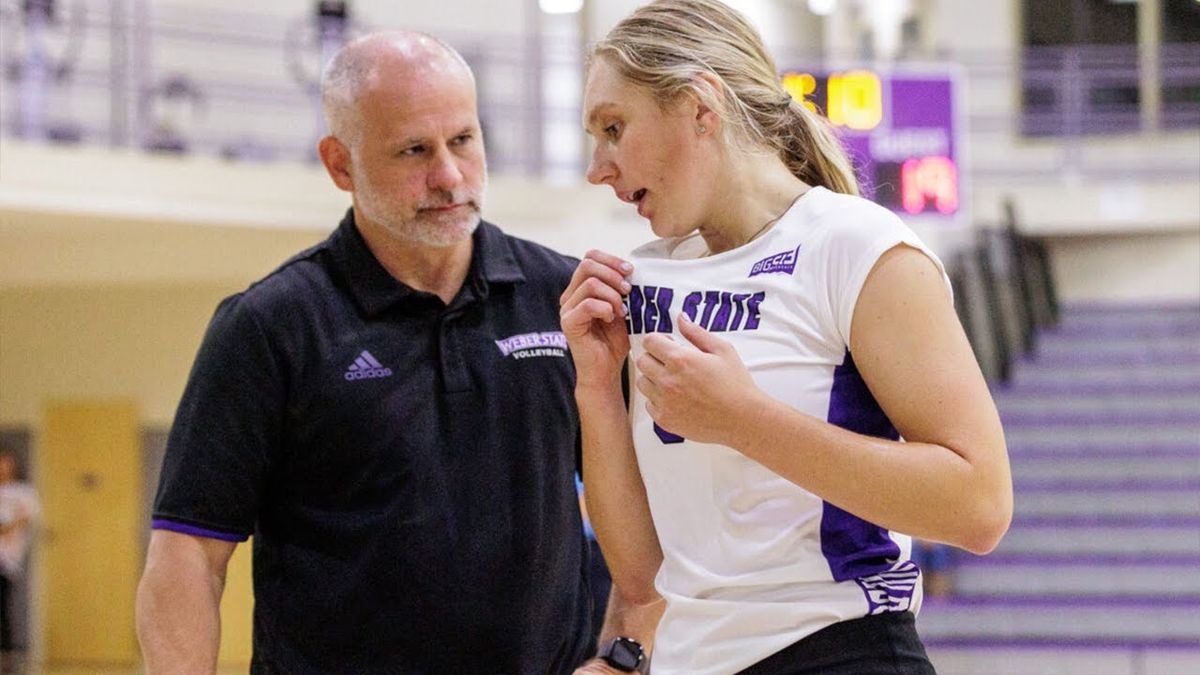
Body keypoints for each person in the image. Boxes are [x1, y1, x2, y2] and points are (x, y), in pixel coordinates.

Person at [136, 31, 655, 674]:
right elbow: (188, 554)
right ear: (339, 165)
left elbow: (656, 506)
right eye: (414, 150)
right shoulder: (272, 326)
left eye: (463, 140)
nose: (448, 175)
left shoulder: (565, 299)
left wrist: (624, 658)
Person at [560, 1, 1013, 674]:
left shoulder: (856, 245)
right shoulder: (651, 276)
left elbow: (979, 505)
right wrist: (596, 387)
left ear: (699, 106)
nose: (598, 166)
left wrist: (744, 419)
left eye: (615, 129)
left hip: (842, 649)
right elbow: (644, 574)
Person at [0, 447, 39, 674]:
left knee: (4, 611)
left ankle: (7, 658)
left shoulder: (24, 493)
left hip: (6, 561)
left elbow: (20, 522)